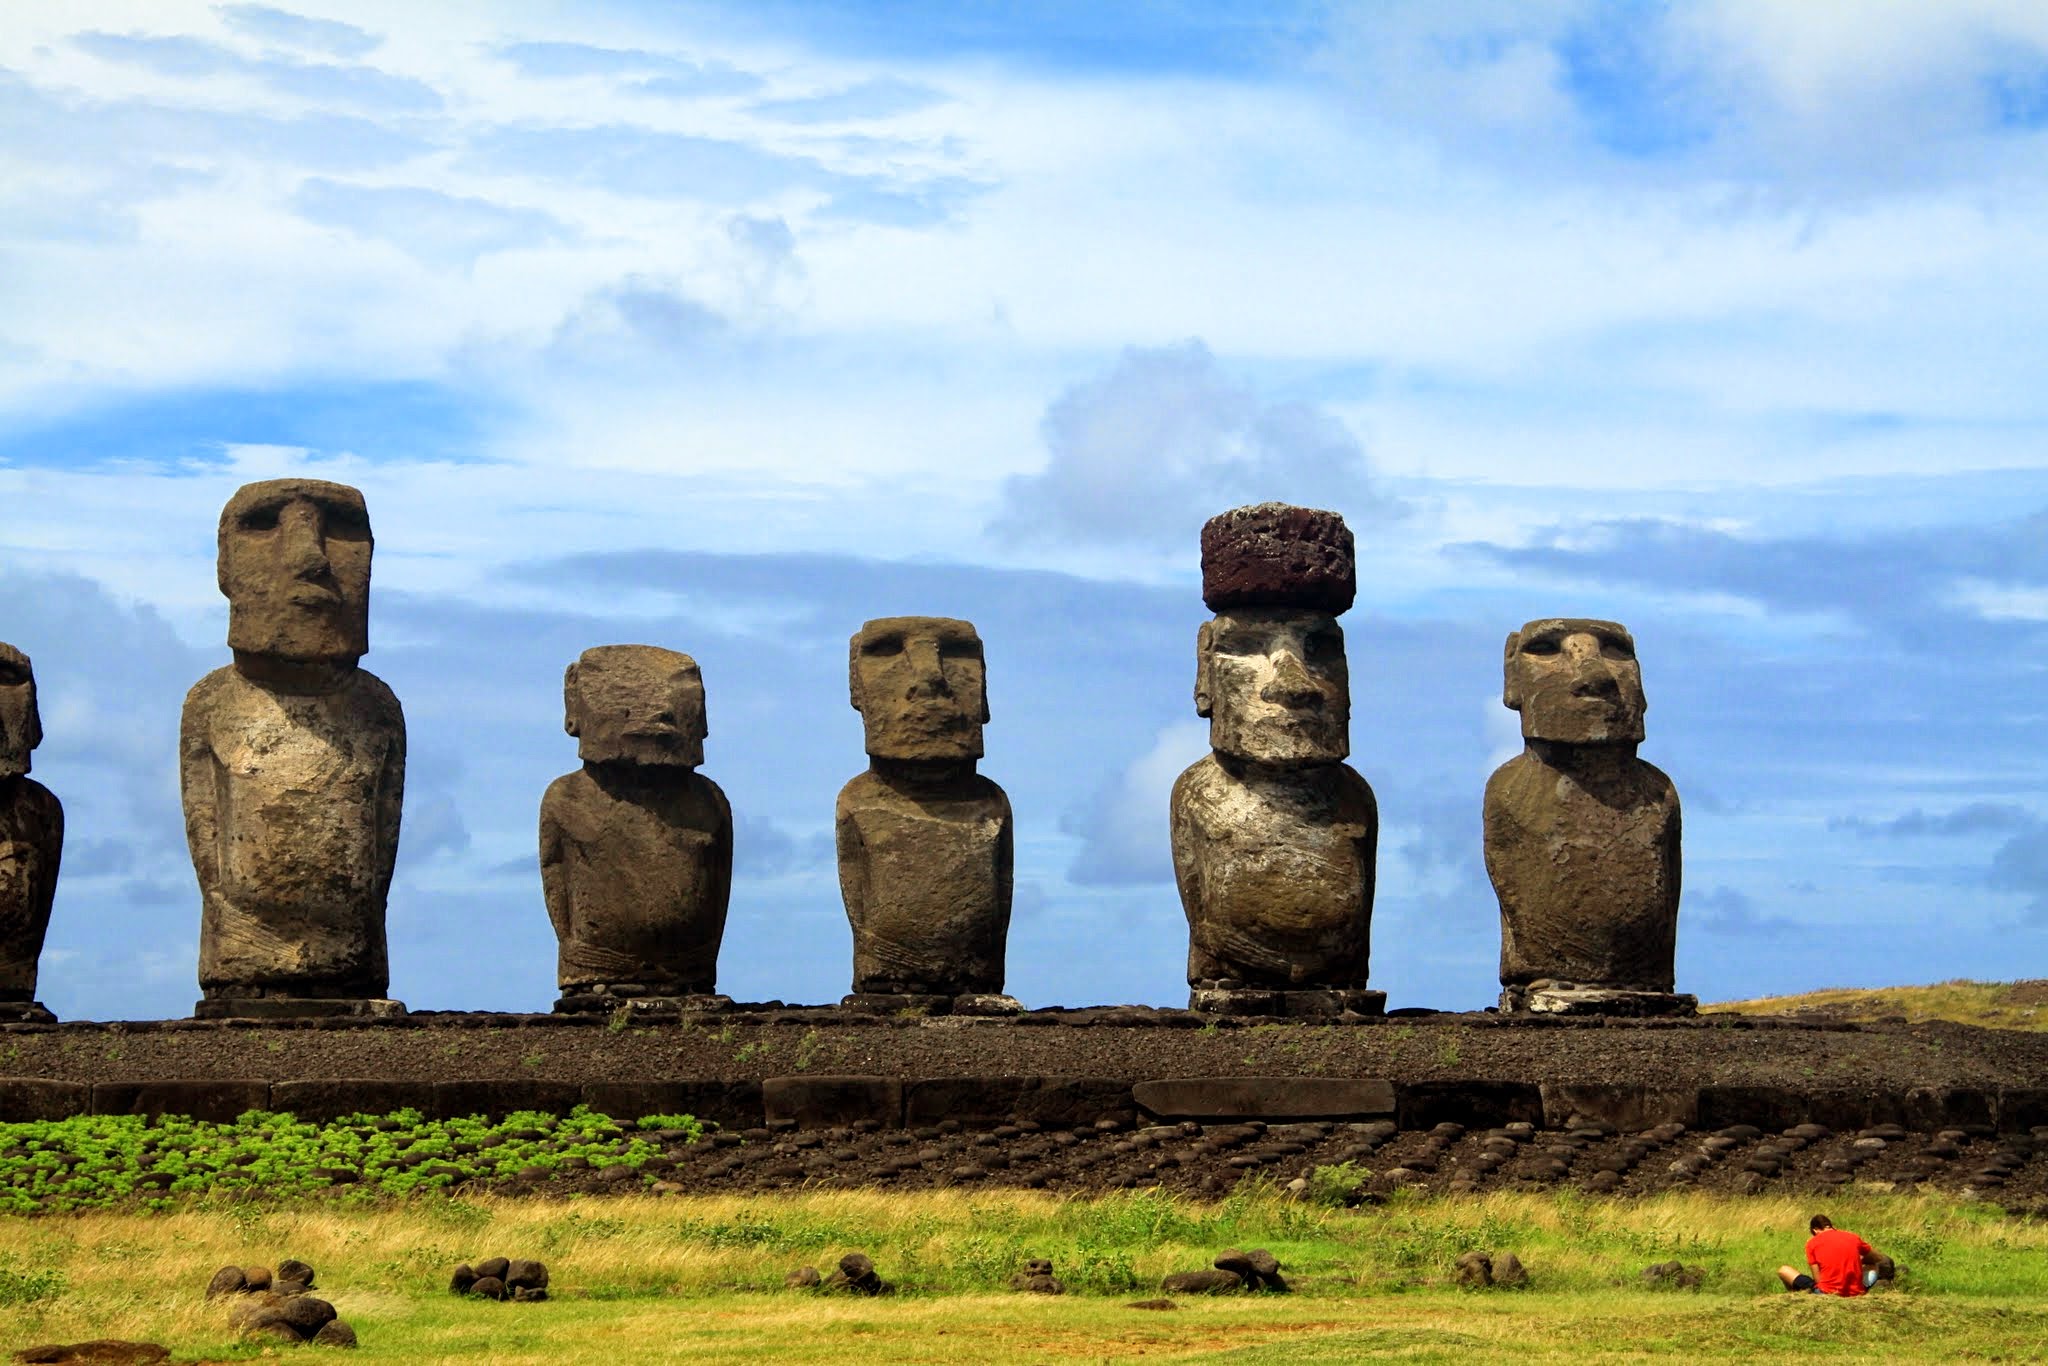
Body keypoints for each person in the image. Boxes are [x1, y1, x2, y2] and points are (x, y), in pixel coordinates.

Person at [1777, 1214, 1883, 1296]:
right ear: (1831, 1226)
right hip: (1856, 1292)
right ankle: (1860, 1289)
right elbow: (1878, 1257)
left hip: (1827, 1292)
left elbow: (1818, 1280)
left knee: (1783, 1270)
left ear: (1815, 1230)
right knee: (1873, 1265)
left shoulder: (1812, 1243)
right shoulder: (1852, 1237)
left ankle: (1795, 1297)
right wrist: (1860, 1261)